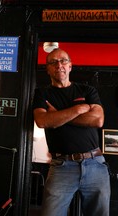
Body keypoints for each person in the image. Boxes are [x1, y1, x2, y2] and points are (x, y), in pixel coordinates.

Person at [32, 48, 110, 216]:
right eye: (53, 62)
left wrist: (57, 116)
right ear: (47, 69)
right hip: (61, 166)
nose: (59, 65)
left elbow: (98, 120)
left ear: (70, 66)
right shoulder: (42, 93)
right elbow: (42, 121)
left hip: (95, 163)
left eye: (63, 61)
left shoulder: (87, 91)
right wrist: (78, 109)